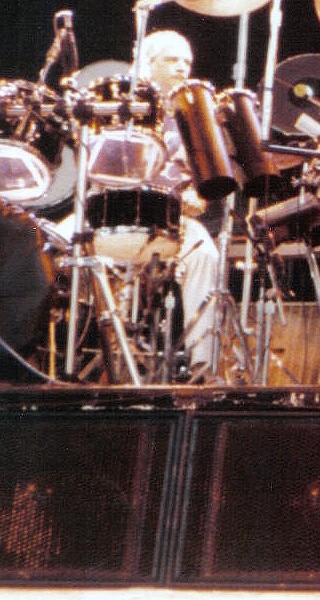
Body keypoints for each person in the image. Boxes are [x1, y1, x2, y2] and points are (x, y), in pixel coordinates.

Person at [135, 29, 224, 381]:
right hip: (120, 211)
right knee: (53, 246)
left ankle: (203, 366)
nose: (182, 67)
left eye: (187, 61)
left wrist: (198, 195)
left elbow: (205, 177)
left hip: (171, 218)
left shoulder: (193, 115)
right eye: (172, 59)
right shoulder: (125, 106)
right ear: (148, 62)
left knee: (206, 255)